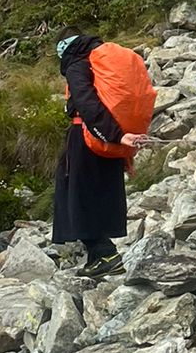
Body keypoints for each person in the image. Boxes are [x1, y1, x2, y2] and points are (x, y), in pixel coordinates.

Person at [51, 32, 145, 278]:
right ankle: (97, 259)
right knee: (101, 191)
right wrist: (118, 135)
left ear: (64, 48)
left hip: (88, 136)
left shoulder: (77, 63)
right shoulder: (100, 60)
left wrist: (113, 134)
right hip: (107, 138)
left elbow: (86, 101)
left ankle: (105, 253)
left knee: (75, 194)